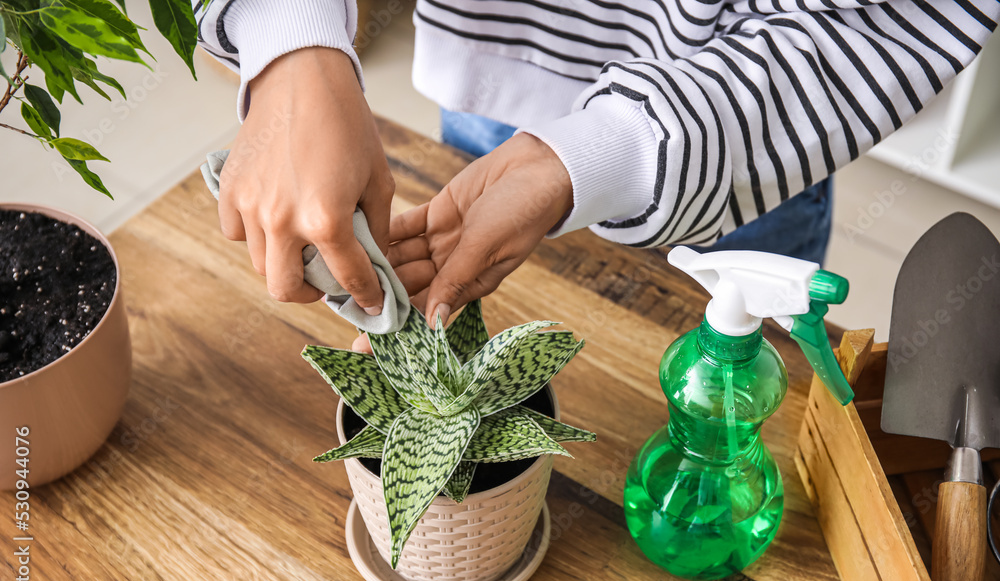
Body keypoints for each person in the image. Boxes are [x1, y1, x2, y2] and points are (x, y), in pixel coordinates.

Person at [193, 0, 997, 334]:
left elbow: (891, 21)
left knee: (736, 372)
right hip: (495, 68)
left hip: (742, 137)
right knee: (451, 275)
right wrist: (291, 39)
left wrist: (599, 152)